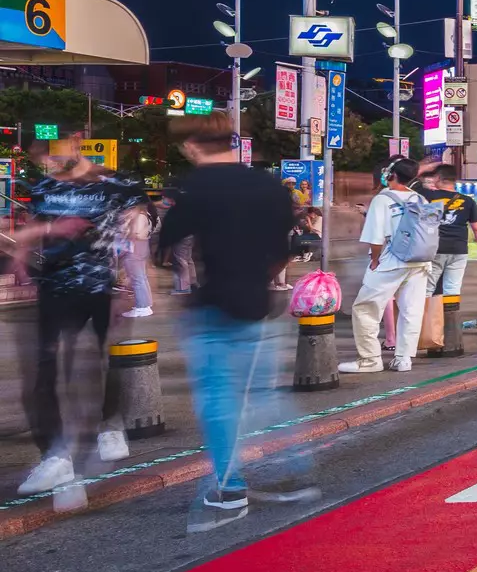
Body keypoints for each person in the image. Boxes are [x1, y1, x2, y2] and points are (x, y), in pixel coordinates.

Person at [155, 125, 303, 532]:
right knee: (261, 391)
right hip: (258, 301)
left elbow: (166, 243)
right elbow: (285, 249)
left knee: (218, 398)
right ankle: (294, 473)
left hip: (214, 303)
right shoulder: (269, 185)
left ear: (192, 144)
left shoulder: (197, 186)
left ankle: (229, 489)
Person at [8, 152, 144, 502]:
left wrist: (132, 284)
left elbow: (135, 231)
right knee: (47, 369)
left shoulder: (114, 186)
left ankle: (110, 425)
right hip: (54, 289)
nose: (49, 157)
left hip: (102, 289)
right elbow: (31, 227)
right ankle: (56, 457)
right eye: (44, 152)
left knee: (102, 360)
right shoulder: (44, 188)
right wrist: (25, 256)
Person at [344, 157, 435, 373]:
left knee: (365, 308)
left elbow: (375, 238)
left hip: (391, 262)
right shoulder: (421, 199)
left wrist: (375, 260)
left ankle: (370, 360)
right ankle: (404, 359)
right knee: (411, 311)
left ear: (390, 175)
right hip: (420, 261)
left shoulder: (382, 200)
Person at [413, 163, 477, 349]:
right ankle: (450, 333)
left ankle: (426, 331)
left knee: (427, 289)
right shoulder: (467, 201)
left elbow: (411, 182)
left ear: (438, 179)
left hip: (435, 249)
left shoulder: (428, 196)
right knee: (452, 290)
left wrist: (422, 169)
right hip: (459, 250)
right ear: (454, 181)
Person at [119, 197, 156, 318]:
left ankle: (142, 307)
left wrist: (126, 235)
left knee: (137, 278)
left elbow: (137, 234)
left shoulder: (139, 216)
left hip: (135, 248)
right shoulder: (146, 215)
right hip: (141, 247)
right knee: (141, 278)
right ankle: (145, 305)